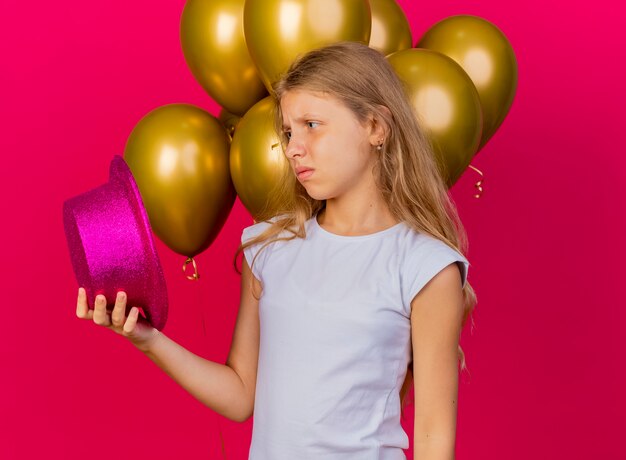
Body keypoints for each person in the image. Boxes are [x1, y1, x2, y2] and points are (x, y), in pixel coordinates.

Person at [76, 41, 477, 459]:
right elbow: (241, 394)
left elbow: (433, 437)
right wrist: (148, 339)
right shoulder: (269, 247)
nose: (293, 148)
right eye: (287, 131)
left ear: (375, 127)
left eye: (312, 125)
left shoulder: (426, 266)